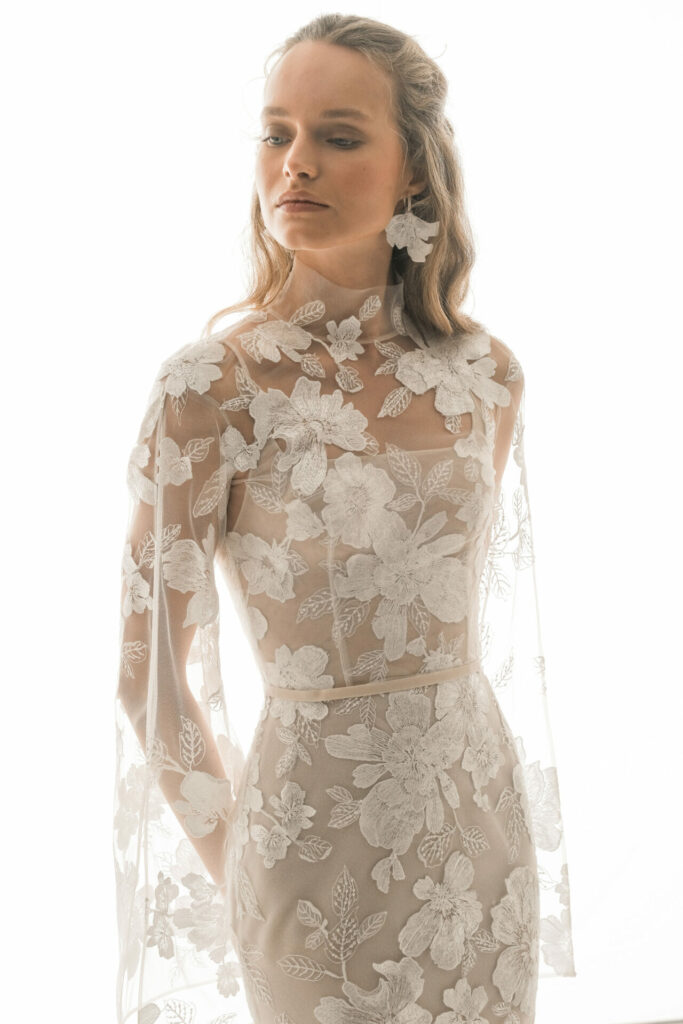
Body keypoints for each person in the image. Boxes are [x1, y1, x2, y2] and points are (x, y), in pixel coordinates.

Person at [113, 14, 576, 1024]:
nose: (295, 165)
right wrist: (239, 859)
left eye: (337, 134)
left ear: (413, 170)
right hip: (302, 852)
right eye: (276, 134)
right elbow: (147, 676)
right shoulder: (210, 386)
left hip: (478, 843)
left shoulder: (485, 375)